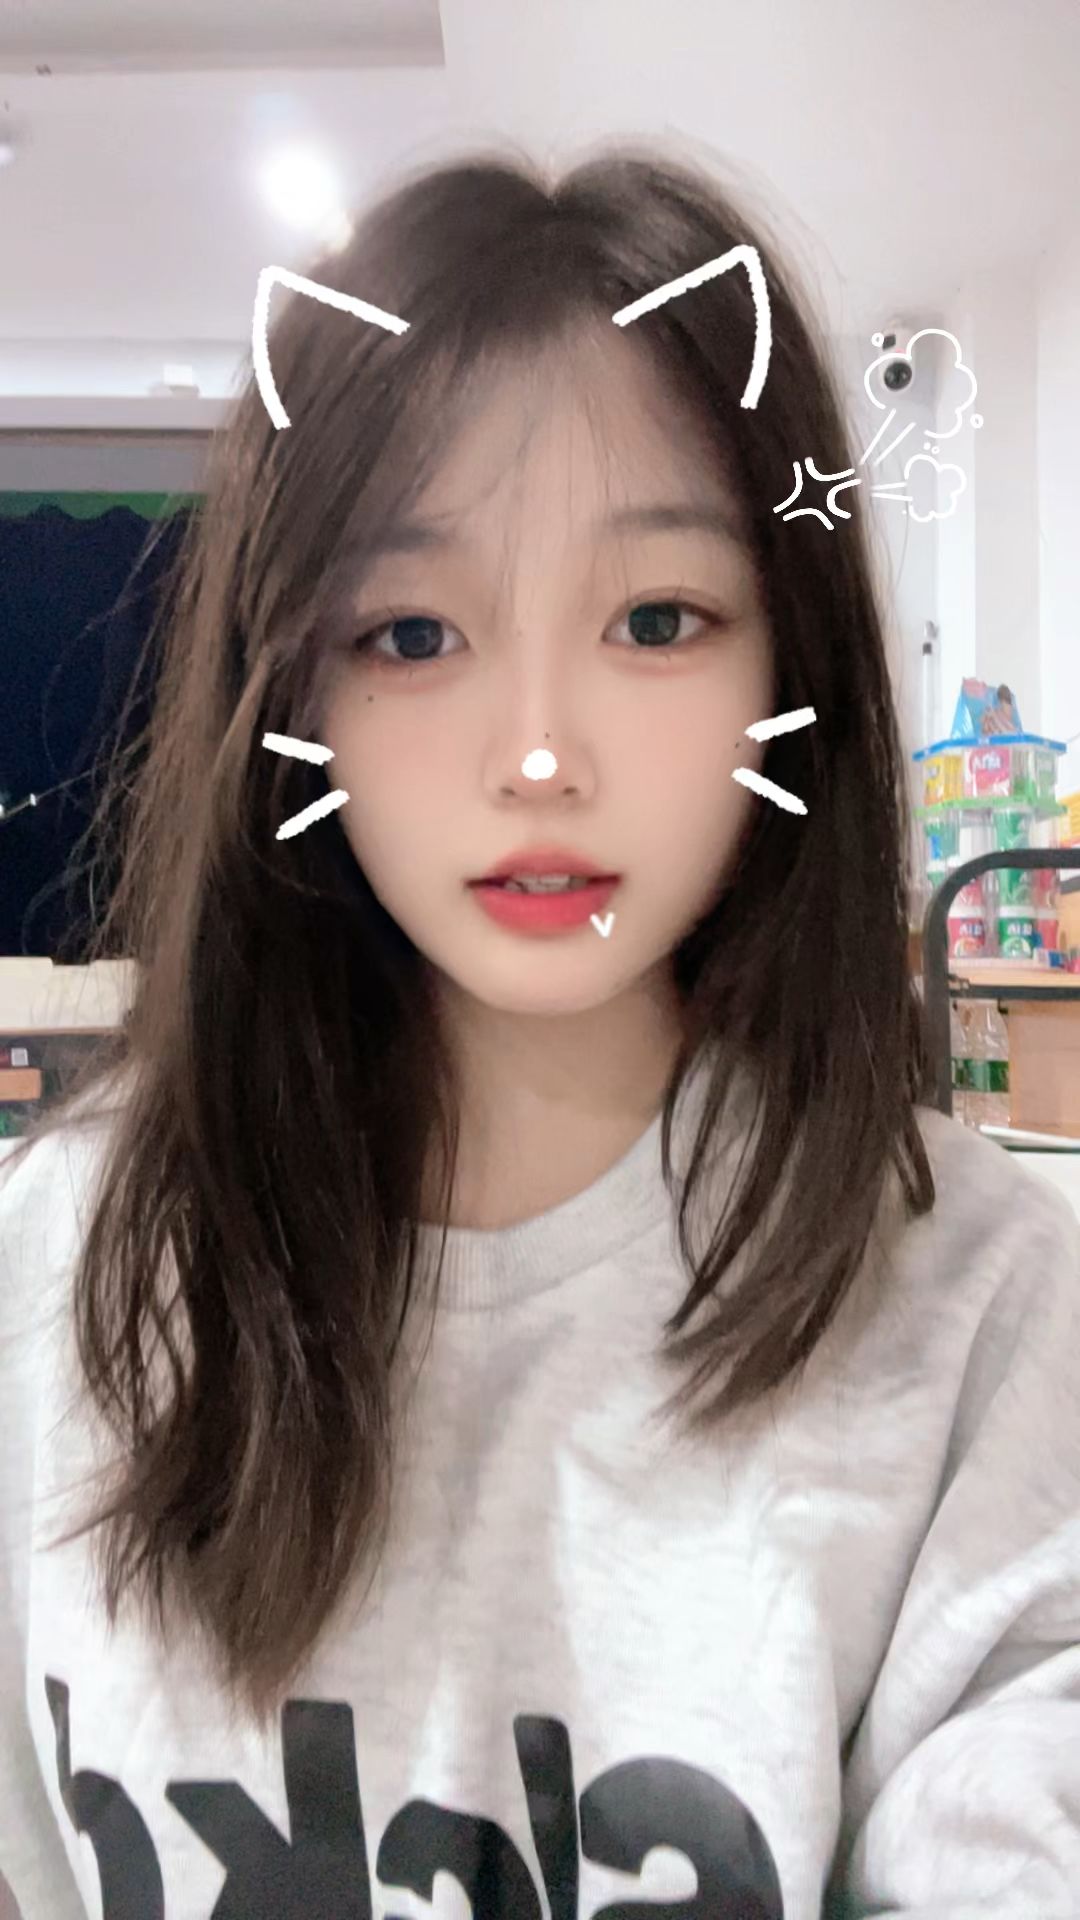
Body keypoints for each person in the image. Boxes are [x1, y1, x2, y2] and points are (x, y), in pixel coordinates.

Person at [1, 143, 1078, 1920]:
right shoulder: (67, 1267)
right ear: (291, 690)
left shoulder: (974, 1310)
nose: (537, 756)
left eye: (656, 620)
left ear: (789, 672)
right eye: (413, 633)